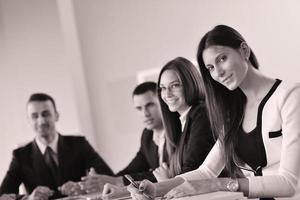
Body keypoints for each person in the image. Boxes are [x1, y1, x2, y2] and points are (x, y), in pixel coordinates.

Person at [127, 25, 300, 200]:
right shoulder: (233, 111)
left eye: (222, 59)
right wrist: (156, 189)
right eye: (210, 68)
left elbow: (290, 183)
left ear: (244, 51)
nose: (218, 72)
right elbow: (207, 171)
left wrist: (219, 184)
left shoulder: (291, 96)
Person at [103, 57, 216, 199]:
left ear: (190, 83)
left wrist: (164, 182)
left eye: (174, 85)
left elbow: (192, 171)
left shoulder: (201, 114)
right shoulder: (182, 121)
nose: (167, 94)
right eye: (163, 88)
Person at [0, 93, 114, 200]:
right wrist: (29, 198)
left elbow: (110, 178)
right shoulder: (20, 156)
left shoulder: (79, 144)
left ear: (56, 115)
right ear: (29, 120)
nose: (41, 121)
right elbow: (3, 195)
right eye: (35, 116)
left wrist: (84, 187)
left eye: (46, 114)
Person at [79, 82, 166, 194]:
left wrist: (117, 181)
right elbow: (133, 169)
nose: (145, 113)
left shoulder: (177, 131)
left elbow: (163, 174)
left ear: (163, 102)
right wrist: (102, 181)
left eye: (150, 105)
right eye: (139, 108)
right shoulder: (147, 134)